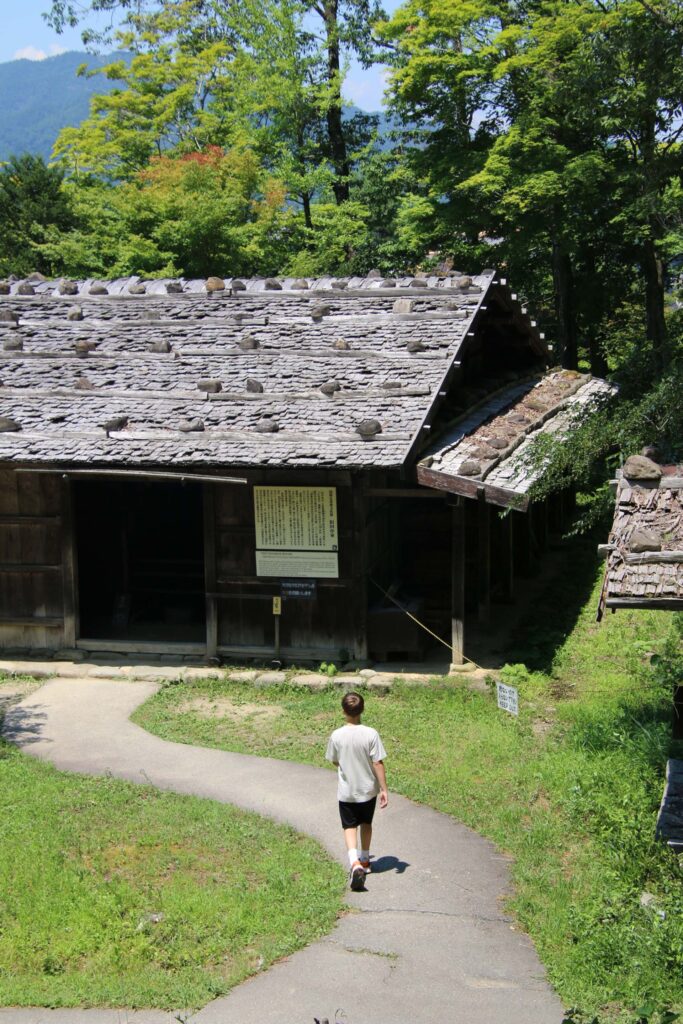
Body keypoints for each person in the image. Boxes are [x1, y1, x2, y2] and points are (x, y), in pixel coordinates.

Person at [325, 690, 388, 892]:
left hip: (347, 791)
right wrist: (384, 789)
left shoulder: (337, 735)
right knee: (366, 823)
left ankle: (354, 864)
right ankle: (365, 859)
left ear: (343, 710)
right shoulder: (371, 734)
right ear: (363, 710)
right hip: (368, 790)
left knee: (349, 826)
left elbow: (334, 759)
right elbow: (377, 762)